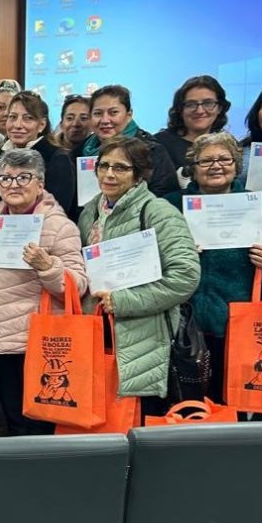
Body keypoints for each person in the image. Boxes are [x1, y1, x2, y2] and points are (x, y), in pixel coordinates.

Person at [78, 137, 200, 414]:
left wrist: (123, 301)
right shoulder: (90, 212)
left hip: (146, 338)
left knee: (140, 422)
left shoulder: (158, 212)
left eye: (121, 167)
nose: (109, 174)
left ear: (139, 174)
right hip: (100, 331)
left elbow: (185, 276)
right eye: (104, 166)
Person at [162, 132, 262, 404]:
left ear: (236, 165)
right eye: (205, 161)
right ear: (193, 169)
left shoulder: (259, 205)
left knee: (235, 400)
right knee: (186, 401)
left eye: (224, 159)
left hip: (238, 322)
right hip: (184, 324)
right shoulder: (171, 204)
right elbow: (155, 257)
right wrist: (174, 253)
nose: (216, 166)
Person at [0, 148, 87, 436]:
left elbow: (78, 285)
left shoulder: (58, 226)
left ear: (40, 184)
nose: (13, 185)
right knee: (12, 418)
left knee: (39, 424)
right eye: (6, 178)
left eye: (23, 177)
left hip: (37, 344)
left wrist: (48, 267)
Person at [0, 91, 77, 218]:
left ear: (41, 125)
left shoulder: (58, 160)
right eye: (12, 117)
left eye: (28, 118)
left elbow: (58, 209)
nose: (18, 125)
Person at [77, 85, 179, 197]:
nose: (105, 120)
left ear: (129, 115)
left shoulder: (151, 151)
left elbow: (164, 196)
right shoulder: (80, 150)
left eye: (113, 112)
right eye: (98, 113)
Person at [153, 76, 231, 174]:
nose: (200, 111)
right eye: (191, 104)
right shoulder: (158, 145)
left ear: (219, 108)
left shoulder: (228, 145)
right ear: (180, 109)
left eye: (208, 103)